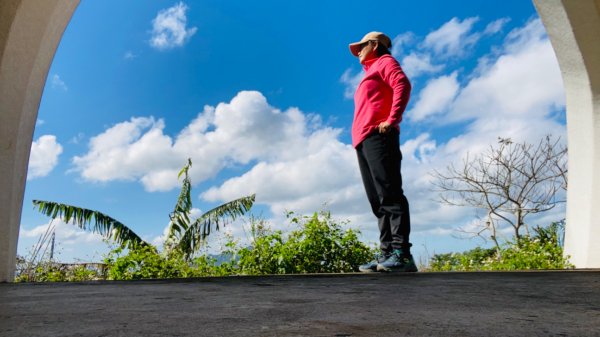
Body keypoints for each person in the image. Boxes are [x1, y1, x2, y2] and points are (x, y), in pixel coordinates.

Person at [349, 31, 416, 272]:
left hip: (380, 135)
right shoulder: (369, 73)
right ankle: (387, 253)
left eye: (362, 47)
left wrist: (392, 119)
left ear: (374, 45)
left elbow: (402, 84)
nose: (358, 52)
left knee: (389, 193)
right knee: (376, 201)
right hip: (363, 139)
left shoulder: (384, 62)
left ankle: (402, 253)